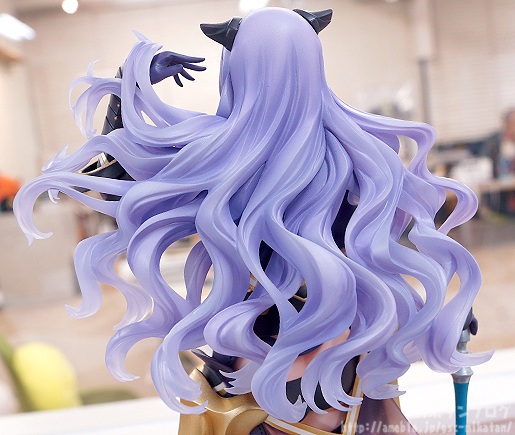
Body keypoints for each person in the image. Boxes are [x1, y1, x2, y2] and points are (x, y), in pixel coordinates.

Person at [14, 8, 491, 434]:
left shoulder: (223, 158)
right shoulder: (355, 156)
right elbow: (399, 245)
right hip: (306, 368)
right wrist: (443, 307)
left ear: (235, 70)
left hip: (287, 368)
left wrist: (128, 88)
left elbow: (108, 181)